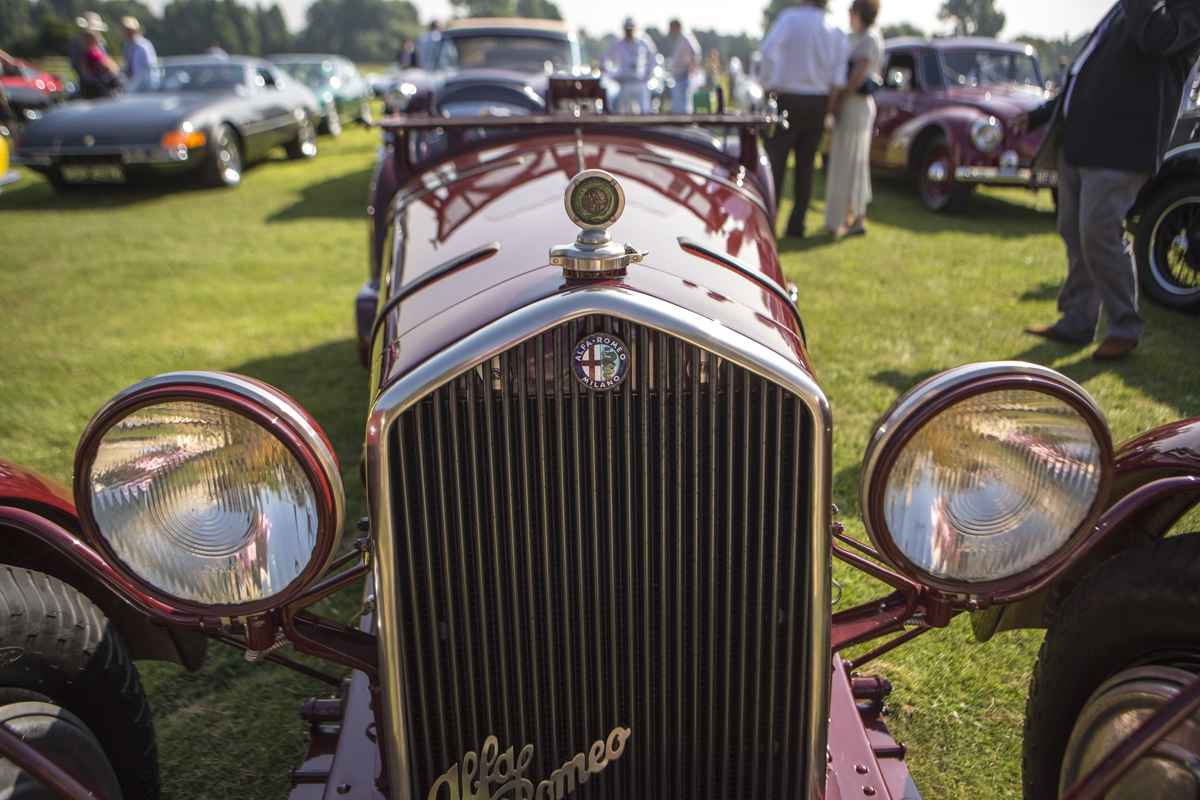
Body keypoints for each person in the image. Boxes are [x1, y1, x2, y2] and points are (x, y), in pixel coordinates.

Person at [1016, 0, 1200, 361]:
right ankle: (1076, 321)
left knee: (1099, 231)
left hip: (1123, 146)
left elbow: (1154, 40)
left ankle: (1124, 326)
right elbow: (1085, 72)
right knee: (1075, 233)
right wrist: (1041, 114)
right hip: (1082, 141)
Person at [760, 0, 849, 238]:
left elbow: (768, 51)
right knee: (806, 167)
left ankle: (768, 219)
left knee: (774, 164)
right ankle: (796, 225)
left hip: (788, 100)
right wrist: (829, 106)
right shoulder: (836, 29)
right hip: (818, 103)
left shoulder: (792, 19)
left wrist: (767, 86)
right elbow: (840, 76)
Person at [823, 0, 883, 237]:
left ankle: (858, 219)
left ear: (859, 13)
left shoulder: (869, 37)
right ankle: (843, 218)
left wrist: (837, 101)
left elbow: (857, 78)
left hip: (856, 106)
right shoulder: (862, 37)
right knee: (846, 162)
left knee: (855, 163)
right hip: (853, 106)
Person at [602, 18, 658, 114]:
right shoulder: (618, 44)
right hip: (625, 83)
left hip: (640, 82)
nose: (629, 32)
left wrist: (649, 74)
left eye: (631, 29)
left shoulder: (643, 42)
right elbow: (604, 59)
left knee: (645, 111)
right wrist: (613, 75)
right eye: (627, 30)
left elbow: (654, 58)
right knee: (626, 113)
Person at [70, 12, 111, 99]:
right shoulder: (79, 42)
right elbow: (75, 62)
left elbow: (107, 58)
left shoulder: (102, 42)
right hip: (89, 82)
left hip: (104, 81)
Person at [666, 19, 700, 114]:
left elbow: (695, 51)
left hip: (683, 77)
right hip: (678, 77)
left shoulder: (685, 37)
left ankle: (685, 127)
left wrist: (692, 65)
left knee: (684, 107)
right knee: (677, 107)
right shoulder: (680, 37)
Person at [79, 30, 122, 98]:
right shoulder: (91, 51)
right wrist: (113, 68)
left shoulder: (94, 51)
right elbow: (105, 65)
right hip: (98, 85)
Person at [121, 17, 158, 90]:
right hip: (133, 85)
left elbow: (150, 66)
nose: (128, 33)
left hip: (144, 85)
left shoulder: (143, 46)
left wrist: (151, 86)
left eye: (130, 30)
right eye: (126, 30)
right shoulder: (127, 46)